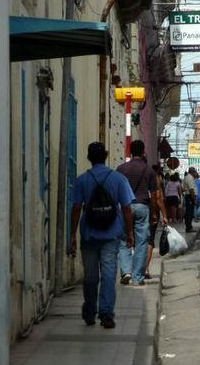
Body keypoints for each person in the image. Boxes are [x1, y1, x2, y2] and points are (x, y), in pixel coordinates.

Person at [68, 142, 135, 329]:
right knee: (108, 275)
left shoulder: (82, 180)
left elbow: (76, 208)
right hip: (111, 235)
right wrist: (130, 232)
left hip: (89, 236)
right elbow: (127, 208)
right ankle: (106, 314)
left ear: (89, 158)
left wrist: (72, 235)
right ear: (105, 157)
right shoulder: (118, 179)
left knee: (90, 277)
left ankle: (90, 311)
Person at [116, 140, 158, 286]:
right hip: (142, 206)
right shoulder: (148, 170)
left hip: (125, 207)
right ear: (143, 152)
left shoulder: (121, 169)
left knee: (124, 239)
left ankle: (126, 271)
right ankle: (138, 277)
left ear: (130, 151)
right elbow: (154, 194)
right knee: (141, 242)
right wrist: (153, 212)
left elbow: (116, 190)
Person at [145, 164, 169, 280]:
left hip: (131, 211)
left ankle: (130, 270)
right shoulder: (153, 176)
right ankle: (145, 269)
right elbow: (158, 197)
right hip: (150, 213)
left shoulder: (130, 173)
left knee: (134, 241)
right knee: (149, 241)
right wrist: (164, 216)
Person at [183, 167, 197, 232]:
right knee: (189, 213)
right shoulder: (190, 178)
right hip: (190, 197)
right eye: (194, 172)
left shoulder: (187, 177)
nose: (195, 173)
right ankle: (189, 227)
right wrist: (194, 199)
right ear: (192, 172)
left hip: (188, 196)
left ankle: (189, 226)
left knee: (189, 212)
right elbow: (191, 189)